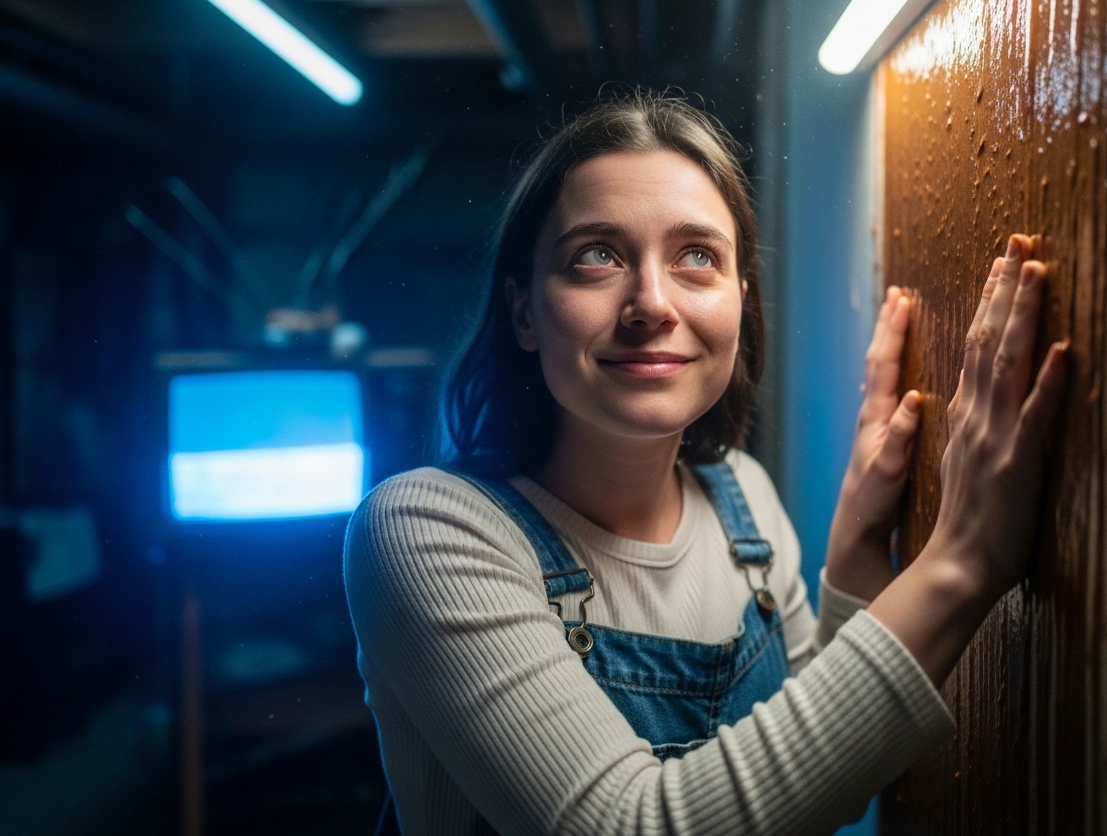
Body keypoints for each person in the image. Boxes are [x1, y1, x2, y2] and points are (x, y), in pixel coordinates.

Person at [344, 92, 1067, 835]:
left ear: (741, 299)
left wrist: (852, 555)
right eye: (597, 255)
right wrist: (963, 560)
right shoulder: (423, 527)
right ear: (525, 311)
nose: (651, 303)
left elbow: (824, 791)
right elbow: (632, 825)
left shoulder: (743, 503)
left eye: (697, 256)